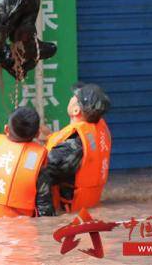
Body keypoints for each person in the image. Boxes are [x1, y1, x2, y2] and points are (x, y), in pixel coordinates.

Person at [0, 107, 54, 218]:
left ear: (6, 129)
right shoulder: (38, 167)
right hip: (15, 228)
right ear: (37, 134)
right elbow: (45, 214)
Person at [43, 83, 112, 213]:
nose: (71, 98)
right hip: (88, 208)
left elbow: (40, 173)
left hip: (67, 214)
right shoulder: (98, 129)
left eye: (74, 97)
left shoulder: (72, 147)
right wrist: (49, 137)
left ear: (76, 110)